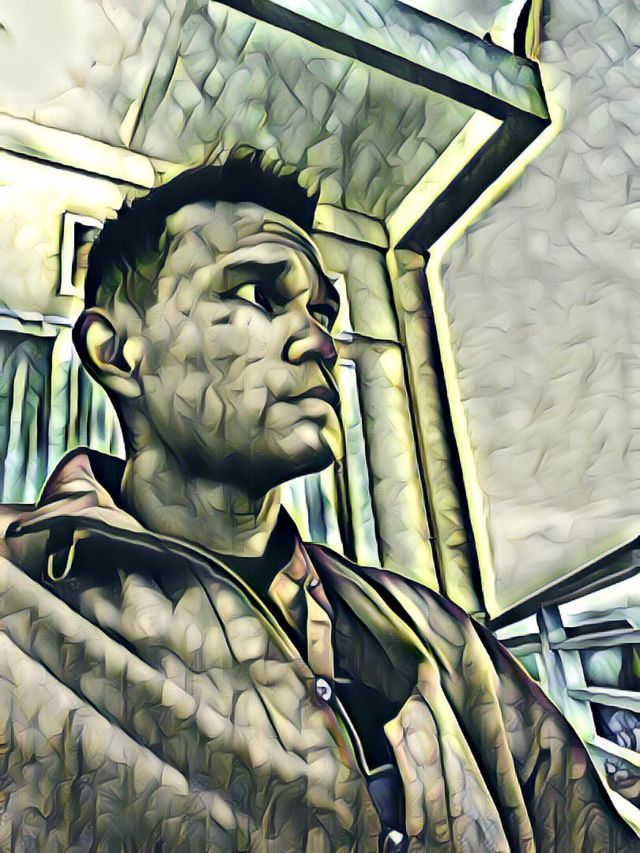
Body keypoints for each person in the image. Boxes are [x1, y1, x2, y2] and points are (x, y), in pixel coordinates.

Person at [0, 153, 637, 852]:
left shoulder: (436, 636)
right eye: (258, 294)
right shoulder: (17, 597)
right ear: (118, 352)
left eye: (322, 311)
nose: (321, 341)